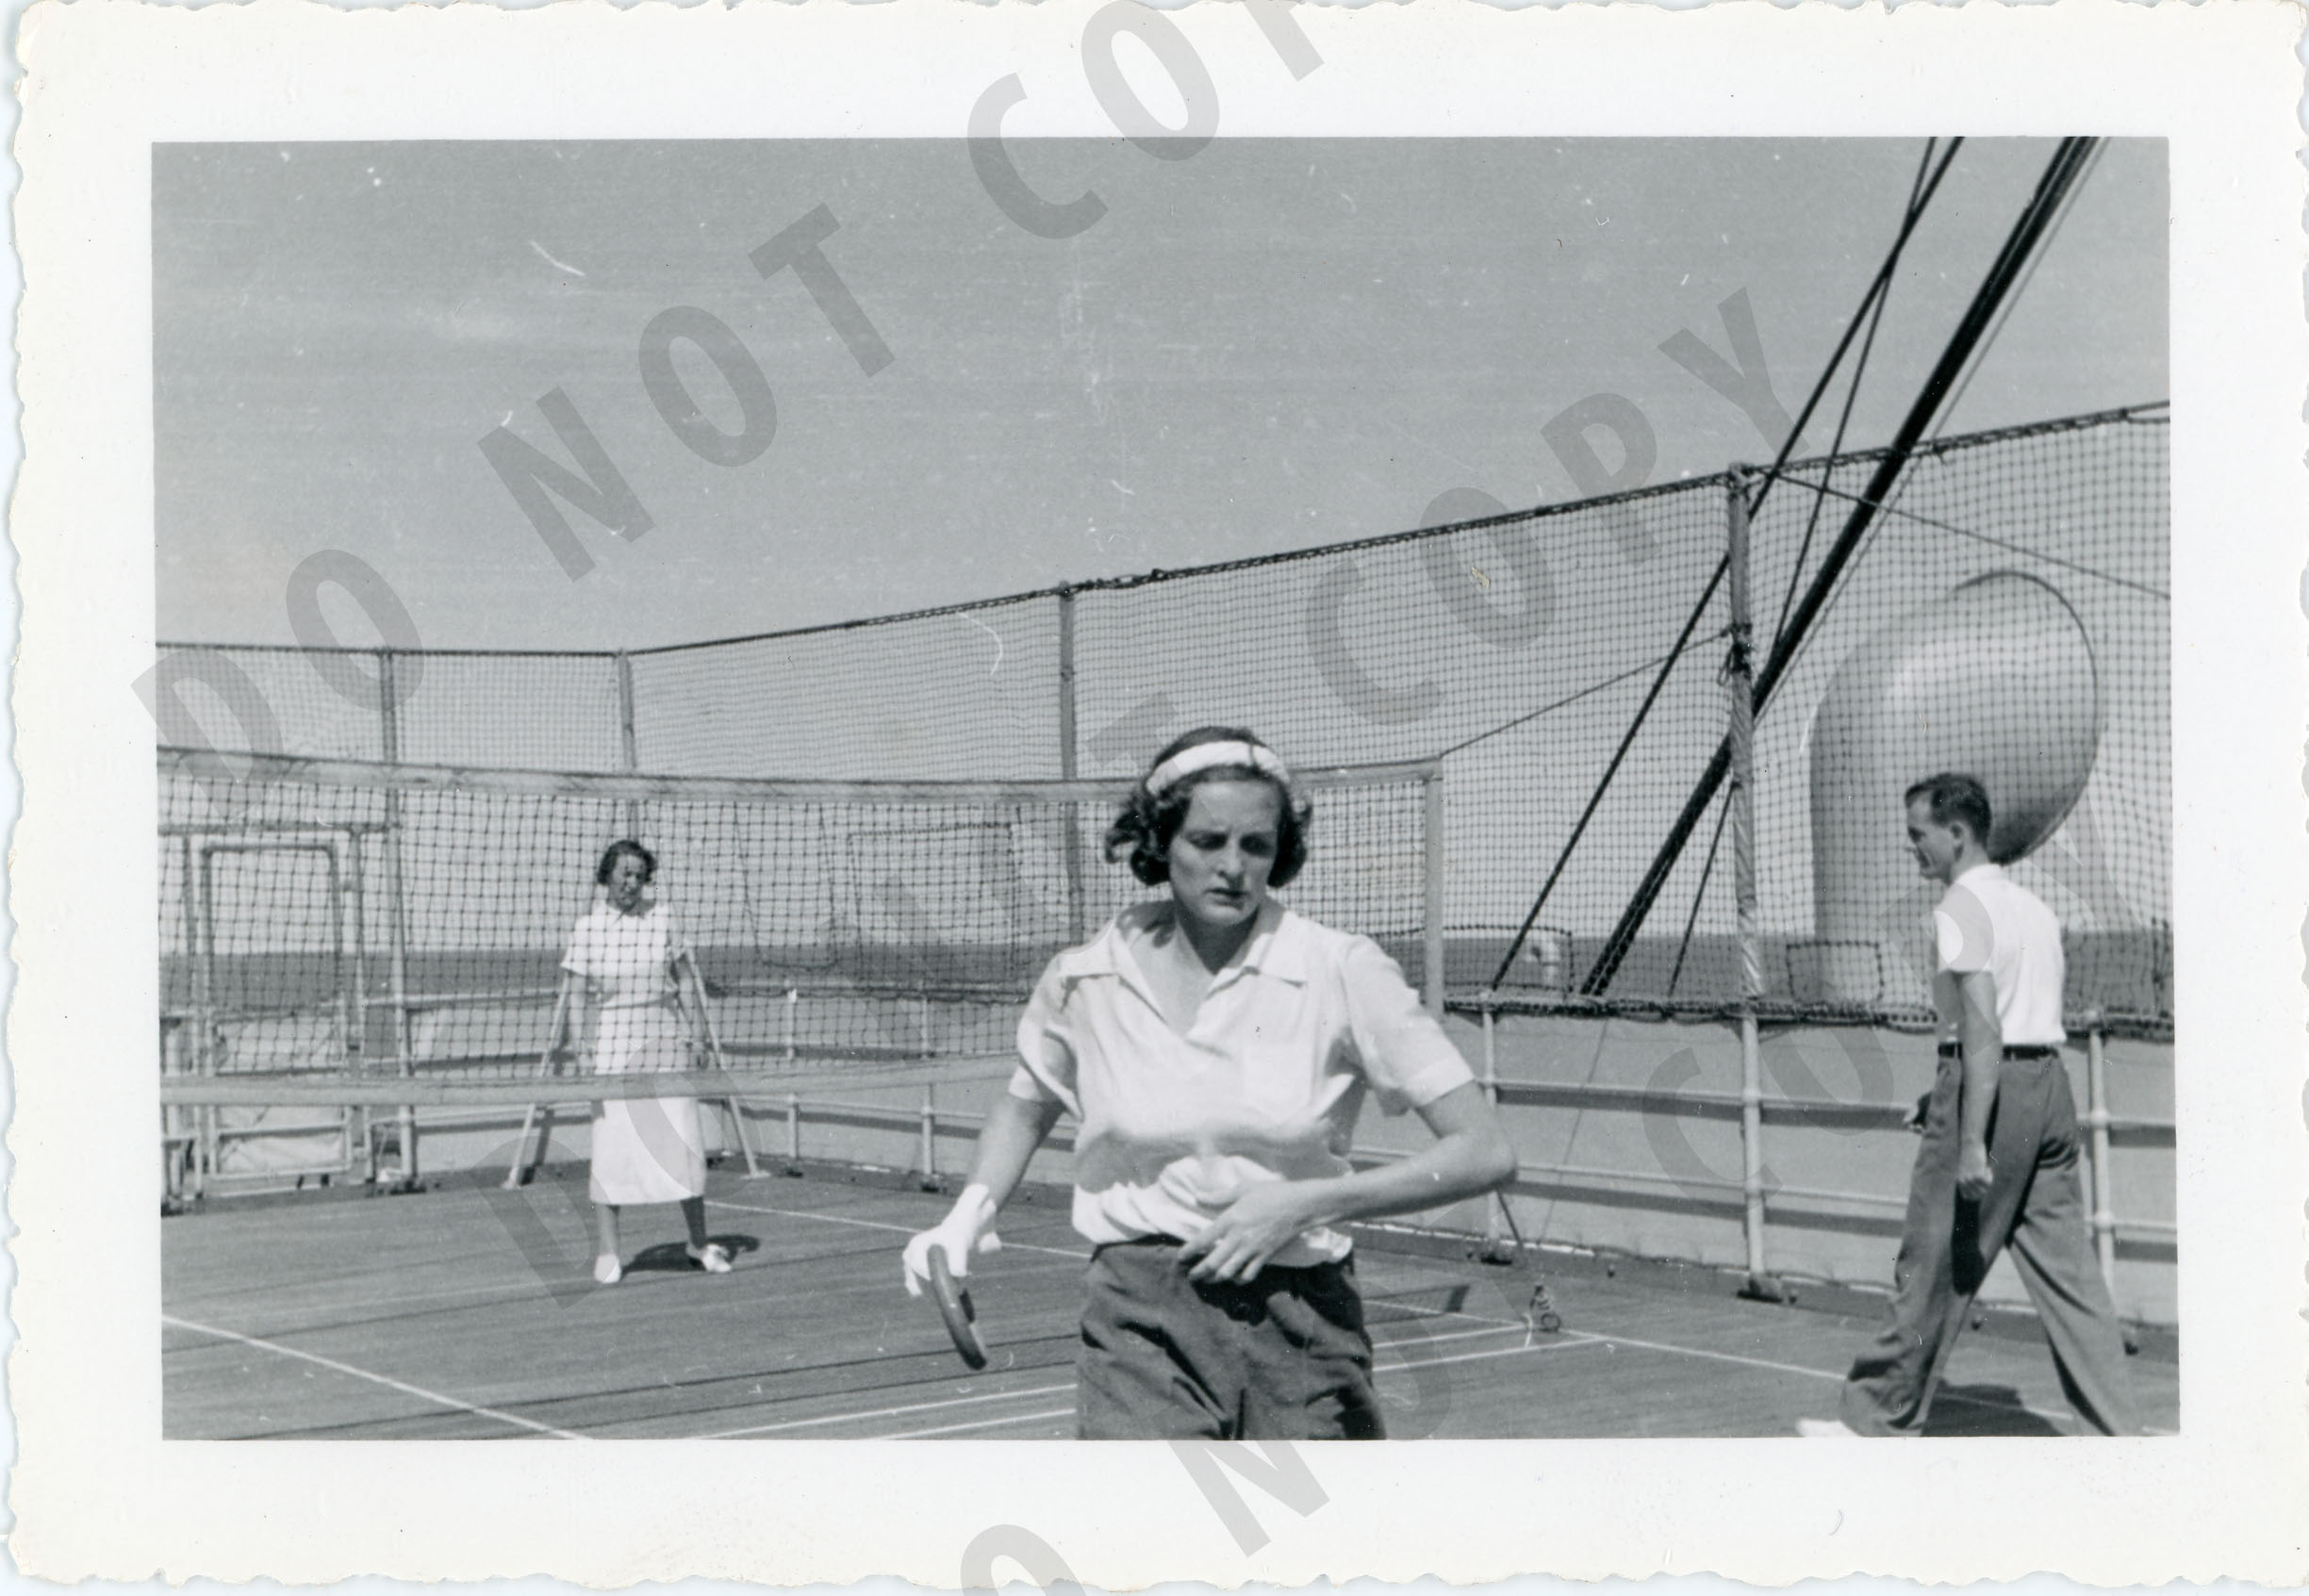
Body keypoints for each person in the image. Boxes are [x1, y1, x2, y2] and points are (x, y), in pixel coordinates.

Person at [901, 727, 1517, 1440]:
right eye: (1207, 841)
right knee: (1153, 1513)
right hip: (1139, 1315)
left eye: (1256, 845)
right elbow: (1026, 1104)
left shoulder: (1340, 968)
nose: (1232, 868)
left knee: (1309, 1517)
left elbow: (1484, 1151)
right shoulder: (1086, 976)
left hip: (1302, 1316)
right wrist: (967, 1213)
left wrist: (1303, 1203)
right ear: (1161, 842)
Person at [1799, 773, 2136, 1436]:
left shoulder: (1959, 907)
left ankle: (1874, 1419)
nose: (1912, 848)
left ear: (1956, 834)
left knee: (1930, 1262)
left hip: (1990, 1091)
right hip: (2048, 1090)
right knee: (2070, 1278)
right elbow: (2019, 1016)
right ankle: (2118, 1434)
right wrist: (1943, 1095)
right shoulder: (2033, 909)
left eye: (1917, 834)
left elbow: (1983, 1027)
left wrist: (1972, 1136)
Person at [554, 839, 733, 1285]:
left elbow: (686, 982)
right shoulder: (588, 928)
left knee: (683, 1143)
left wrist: (696, 1034)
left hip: (665, 1040)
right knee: (612, 1149)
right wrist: (581, 1048)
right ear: (607, 876)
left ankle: (697, 1244)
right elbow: (575, 995)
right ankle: (609, 1254)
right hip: (613, 1044)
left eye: (639, 875)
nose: (632, 883)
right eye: (624, 874)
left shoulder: (663, 919)